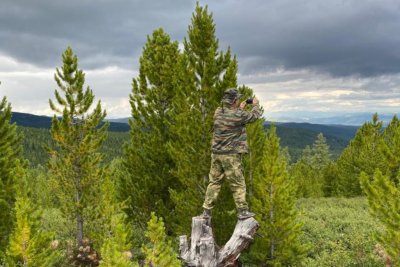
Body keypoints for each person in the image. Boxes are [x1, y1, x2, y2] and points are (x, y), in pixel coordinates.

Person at [201, 88, 263, 220]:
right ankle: (242, 211)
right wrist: (256, 104)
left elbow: (233, 115)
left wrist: (240, 108)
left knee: (214, 182)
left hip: (216, 153)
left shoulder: (218, 112)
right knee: (237, 183)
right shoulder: (238, 115)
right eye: (238, 99)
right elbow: (255, 116)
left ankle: (206, 211)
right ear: (234, 101)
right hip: (231, 155)